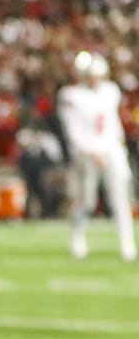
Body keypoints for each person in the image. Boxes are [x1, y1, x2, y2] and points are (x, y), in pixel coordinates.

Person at [56, 50, 134, 262]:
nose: (96, 80)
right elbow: (73, 132)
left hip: (112, 150)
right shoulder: (71, 96)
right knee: (87, 201)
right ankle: (78, 238)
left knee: (121, 200)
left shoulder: (110, 91)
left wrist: (117, 146)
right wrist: (90, 153)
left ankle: (127, 244)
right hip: (86, 154)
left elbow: (113, 124)